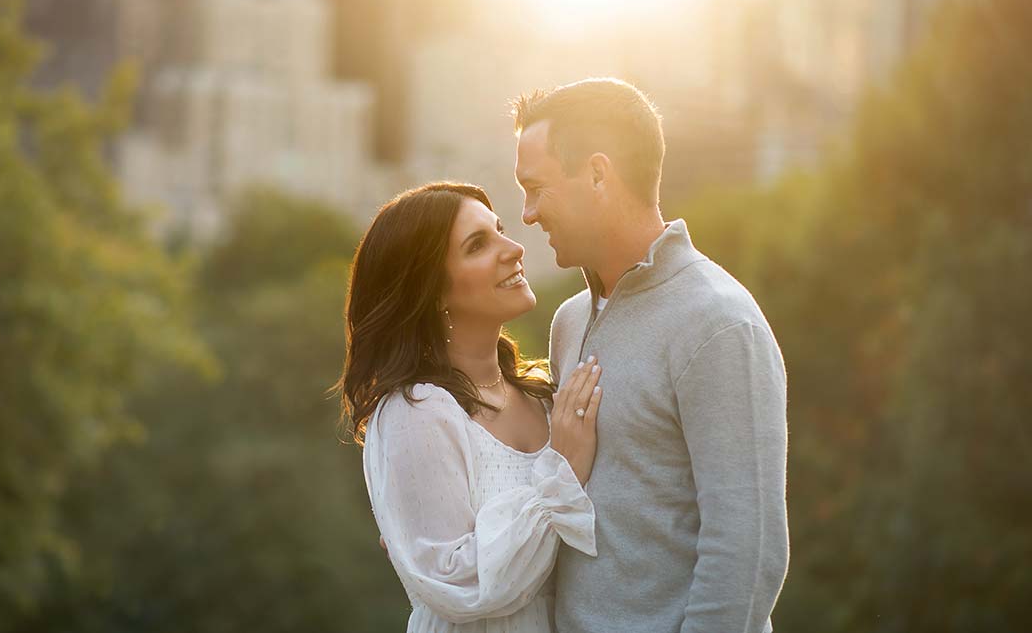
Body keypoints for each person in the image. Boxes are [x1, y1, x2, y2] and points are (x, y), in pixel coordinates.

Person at [512, 78, 790, 633]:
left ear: (597, 173)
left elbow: (747, 550)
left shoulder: (718, 323)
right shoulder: (569, 323)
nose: (527, 214)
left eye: (536, 187)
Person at [338, 182, 605, 632]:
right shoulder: (416, 411)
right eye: (478, 245)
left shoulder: (545, 396)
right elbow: (462, 584)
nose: (515, 248)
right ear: (432, 290)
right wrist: (564, 473)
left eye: (499, 230)